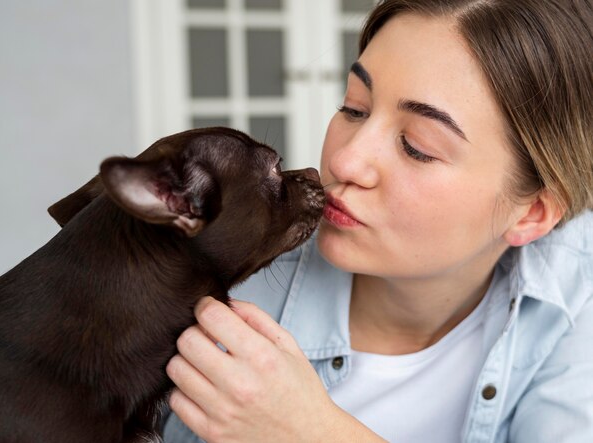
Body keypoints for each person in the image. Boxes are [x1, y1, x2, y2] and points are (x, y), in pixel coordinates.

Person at [161, 0, 593, 442]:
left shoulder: (577, 288)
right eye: (354, 108)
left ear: (533, 212)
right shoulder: (212, 281)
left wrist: (313, 432)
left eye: (416, 146)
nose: (345, 161)